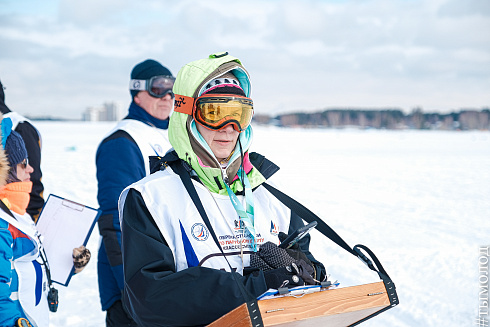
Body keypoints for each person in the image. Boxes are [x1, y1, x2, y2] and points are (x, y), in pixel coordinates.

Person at [119, 52, 327, 326]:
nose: (229, 129)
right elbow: (149, 298)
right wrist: (255, 286)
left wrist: (306, 269)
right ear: (187, 114)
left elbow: (304, 256)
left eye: (238, 115)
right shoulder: (151, 199)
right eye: (215, 113)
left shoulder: (268, 190)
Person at [96, 59, 175, 326]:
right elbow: (114, 220)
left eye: (171, 89)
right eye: (158, 88)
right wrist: (131, 289)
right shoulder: (123, 141)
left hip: (165, 279)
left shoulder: (171, 137)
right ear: (137, 92)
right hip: (134, 288)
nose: (167, 96)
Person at [0, 117, 90, 327]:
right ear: (6, 171)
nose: (30, 169)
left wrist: (69, 265)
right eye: (24, 164)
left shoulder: (17, 214)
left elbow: (27, 266)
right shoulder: (3, 224)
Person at [0, 79, 44, 221]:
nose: (28, 168)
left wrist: (29, 230)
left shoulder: (19, 126)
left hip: (18, 220)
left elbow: (33, 186)